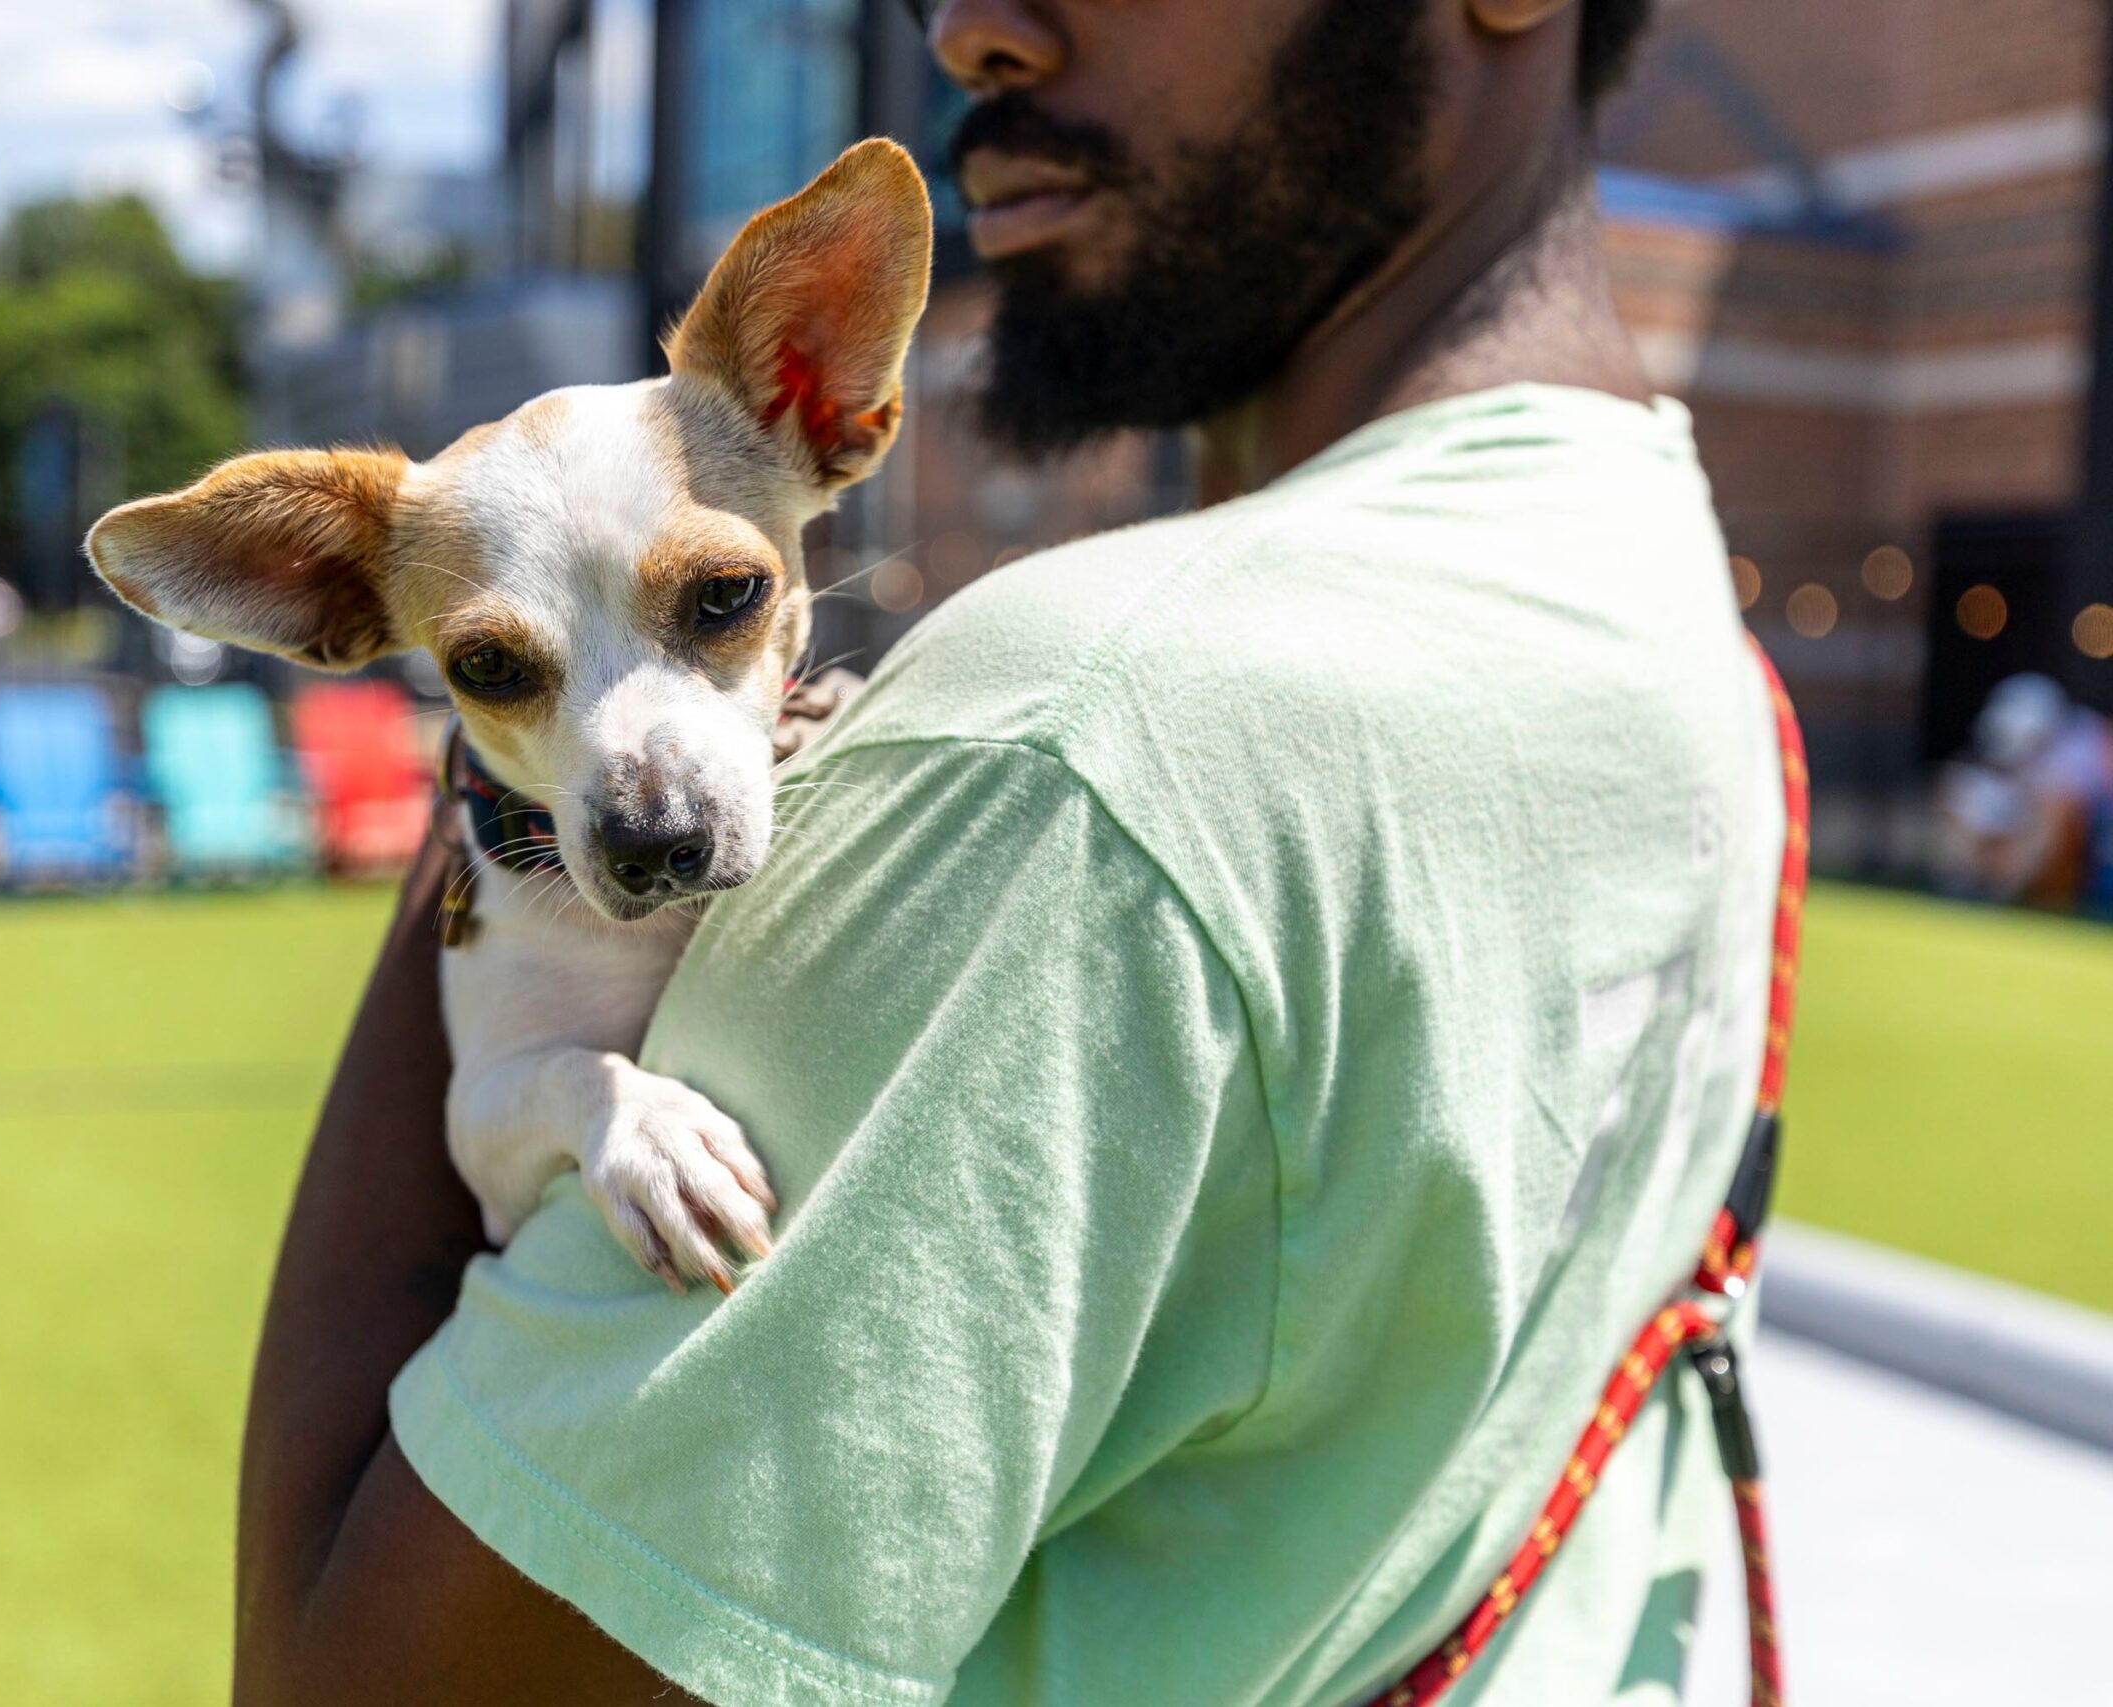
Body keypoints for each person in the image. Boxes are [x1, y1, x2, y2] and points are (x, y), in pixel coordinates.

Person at [233, 2, 1791, 1703]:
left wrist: (495, 782)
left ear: (825, 400)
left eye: (720, 600)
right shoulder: (1685, 616)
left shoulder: (1066, 750)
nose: (966, 25)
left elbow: (355, 1680)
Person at [1938, 673, 2113, 909]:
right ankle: (1966, 885)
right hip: (2027, 833)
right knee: (1961, 787)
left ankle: (1998, 899)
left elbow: (2060, 814)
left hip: (2093, 861)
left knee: (2054, 809)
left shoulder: (2083, 745)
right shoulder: (2004, 742)